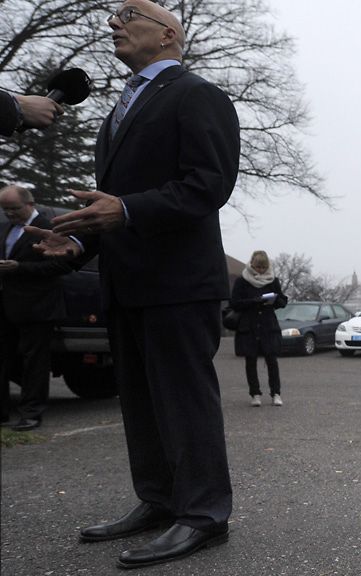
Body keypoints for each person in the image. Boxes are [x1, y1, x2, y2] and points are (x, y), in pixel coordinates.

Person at [26, 0, 240, 568]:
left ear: (168, 34)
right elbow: (112, 208)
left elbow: (207, 186)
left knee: (183, 402)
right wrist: (75, 244)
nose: (112, 23)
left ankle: (204, 516)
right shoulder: (118, 110)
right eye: (111, 17)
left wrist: (124, 210)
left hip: (178, 284)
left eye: (128, 15)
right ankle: (160, 500)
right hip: (125, 284)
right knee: (141, 404)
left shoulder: (199, 95)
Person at [0, 185, 72, 431]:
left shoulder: (48, 228)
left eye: (14, 208)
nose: (9, 213)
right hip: (7, 305)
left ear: (30, 204)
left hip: (38, 306)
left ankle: (31, 413)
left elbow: (61, 267)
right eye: (5, 209)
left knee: (35, 362)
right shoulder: (6, 229)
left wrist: (19, 267)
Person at [231, 250, 288, 407]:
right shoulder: (242, 281)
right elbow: (234, 303)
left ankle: (276, 393)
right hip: (248, 325)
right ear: (252, 264)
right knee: (250, 360)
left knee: (272, 360)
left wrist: (277, 300)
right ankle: (255, 394)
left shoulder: (273, 280)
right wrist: (254, 301)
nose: (261, 270)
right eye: (258, 267)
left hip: (268, 325)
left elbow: (282, 300)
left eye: (263, 267)